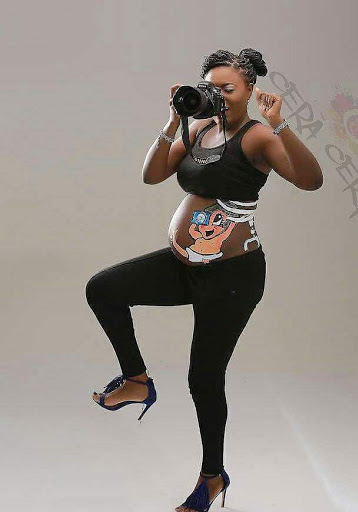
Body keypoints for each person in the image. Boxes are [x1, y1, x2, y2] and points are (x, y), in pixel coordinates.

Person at [86, 48, 323, 512]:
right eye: (211, 88)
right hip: (184, 267)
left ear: (250, 91)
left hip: (232, 277)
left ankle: (212, 476)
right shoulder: (197, 129)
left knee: (203, 379)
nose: (218, 96)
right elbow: (152, 175)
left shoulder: (257, 137)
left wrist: (280, 125)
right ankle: (137, 380)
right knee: (104, 288)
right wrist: (173, 121)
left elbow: (310, 180)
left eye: (228, 88)